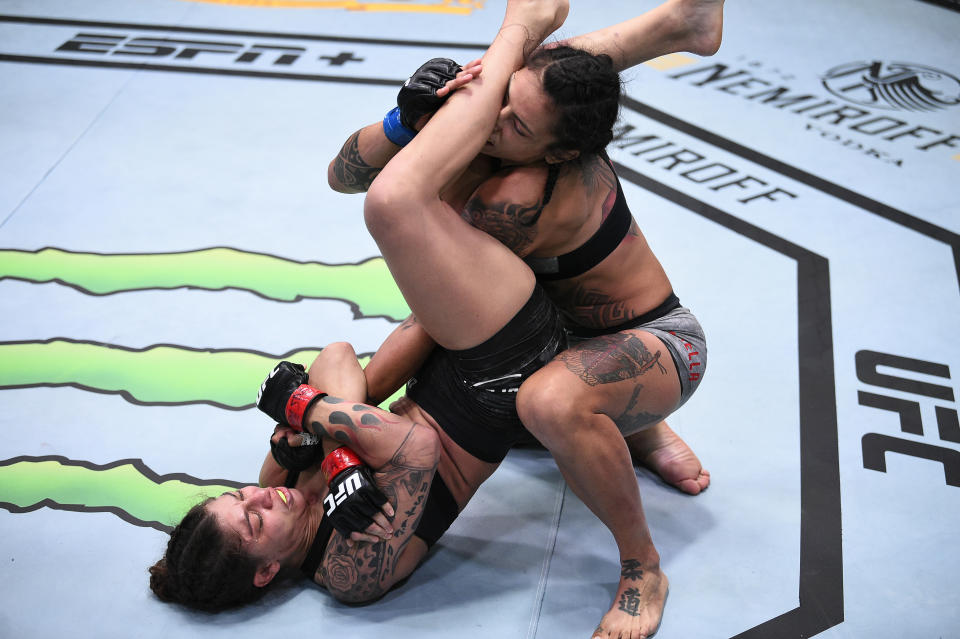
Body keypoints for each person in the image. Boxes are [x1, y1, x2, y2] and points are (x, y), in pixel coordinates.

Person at [149, 0, 573, 616]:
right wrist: (307, 408)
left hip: (445, 349)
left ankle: (642, 33)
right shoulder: (348, 569)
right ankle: (522, 27)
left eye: (237, 497)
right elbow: (416, 450)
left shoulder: (280, 484)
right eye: (253, 522)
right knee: (398, 201)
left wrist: (340, 447)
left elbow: (336, 356)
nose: (260, 499)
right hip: (502, 372)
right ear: (267, 571)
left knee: (495, 135)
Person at [327, 2, 725, 636]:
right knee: (519, 378)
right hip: (560, 339)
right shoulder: (523, 134)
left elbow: (432, 320)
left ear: (557, 151)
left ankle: (643, 565)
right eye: (500, 99)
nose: (495, 119)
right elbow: (341, 175)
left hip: (657, 345)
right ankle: (676, 24)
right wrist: (406, 119)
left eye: (515, 124)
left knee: (546, 401)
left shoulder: (514, 198)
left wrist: (345, 415)